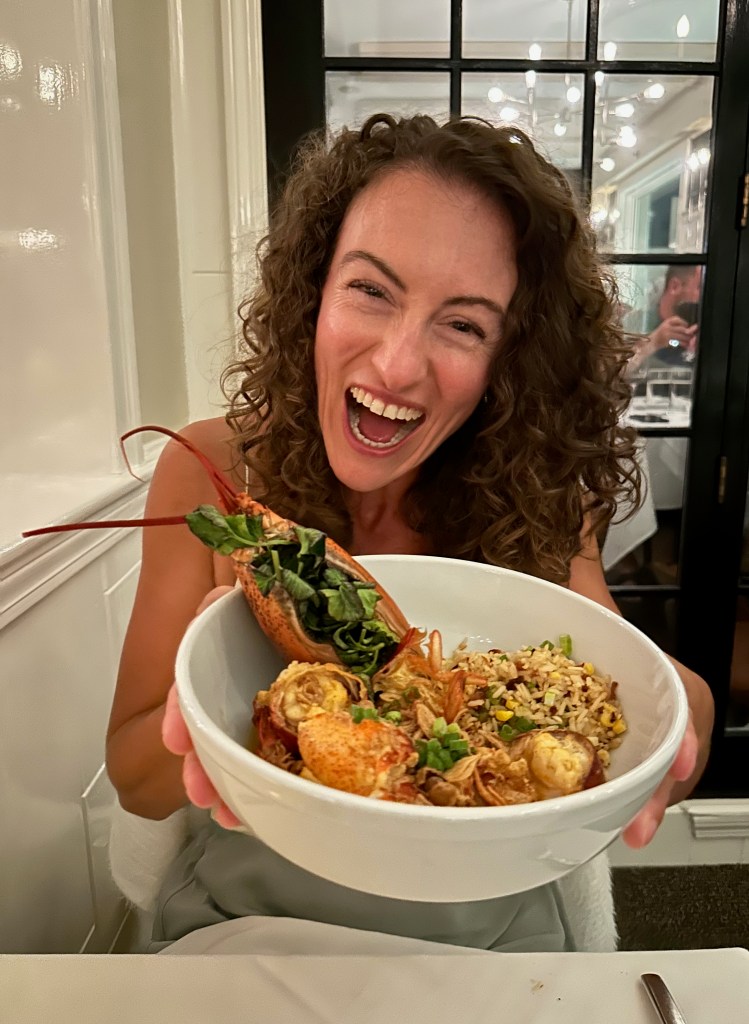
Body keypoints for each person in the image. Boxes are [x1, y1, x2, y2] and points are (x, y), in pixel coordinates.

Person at [105, 114, 714, 953]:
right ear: (314, 291)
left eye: (463, 325)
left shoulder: (542, 497)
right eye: (370, 290)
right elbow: (135, 782)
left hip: (490, 937)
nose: (395, 365)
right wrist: (206, 710)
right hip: (246, 925)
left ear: (509, 360)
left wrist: (682, 711)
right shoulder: (211, 465)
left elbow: (625, 690)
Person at [626, 265, 702, 373]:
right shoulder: (636, 323)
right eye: (699, 287)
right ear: (675, 286)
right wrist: (654, 342)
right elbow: (614, 371)